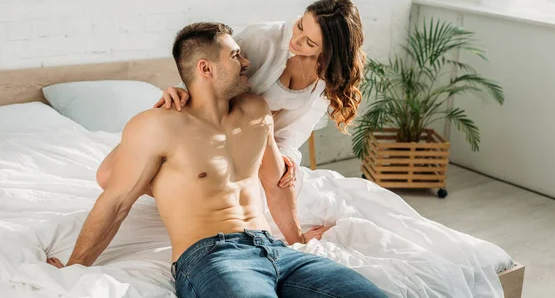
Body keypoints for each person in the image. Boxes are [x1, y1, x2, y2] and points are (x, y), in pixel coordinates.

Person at [47, 22, 385, 298]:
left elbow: (274, 182)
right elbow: (116, 201)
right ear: (205, 68)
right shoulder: (157, 126)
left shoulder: (255, 111)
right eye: (236, 55)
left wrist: (297, 240)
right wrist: (74, 267)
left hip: (276, 251)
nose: (248, 62)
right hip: (212, 257)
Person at [154, 0, 366, 189]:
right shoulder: (262, 38)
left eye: (310, 43)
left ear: (330, 51)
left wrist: (283, 157)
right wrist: (181, 90)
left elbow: (297, 130)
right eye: (300, 25)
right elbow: (213, 68)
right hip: (217, 138)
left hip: (261, 152)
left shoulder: (329, 78)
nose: (297, 39)